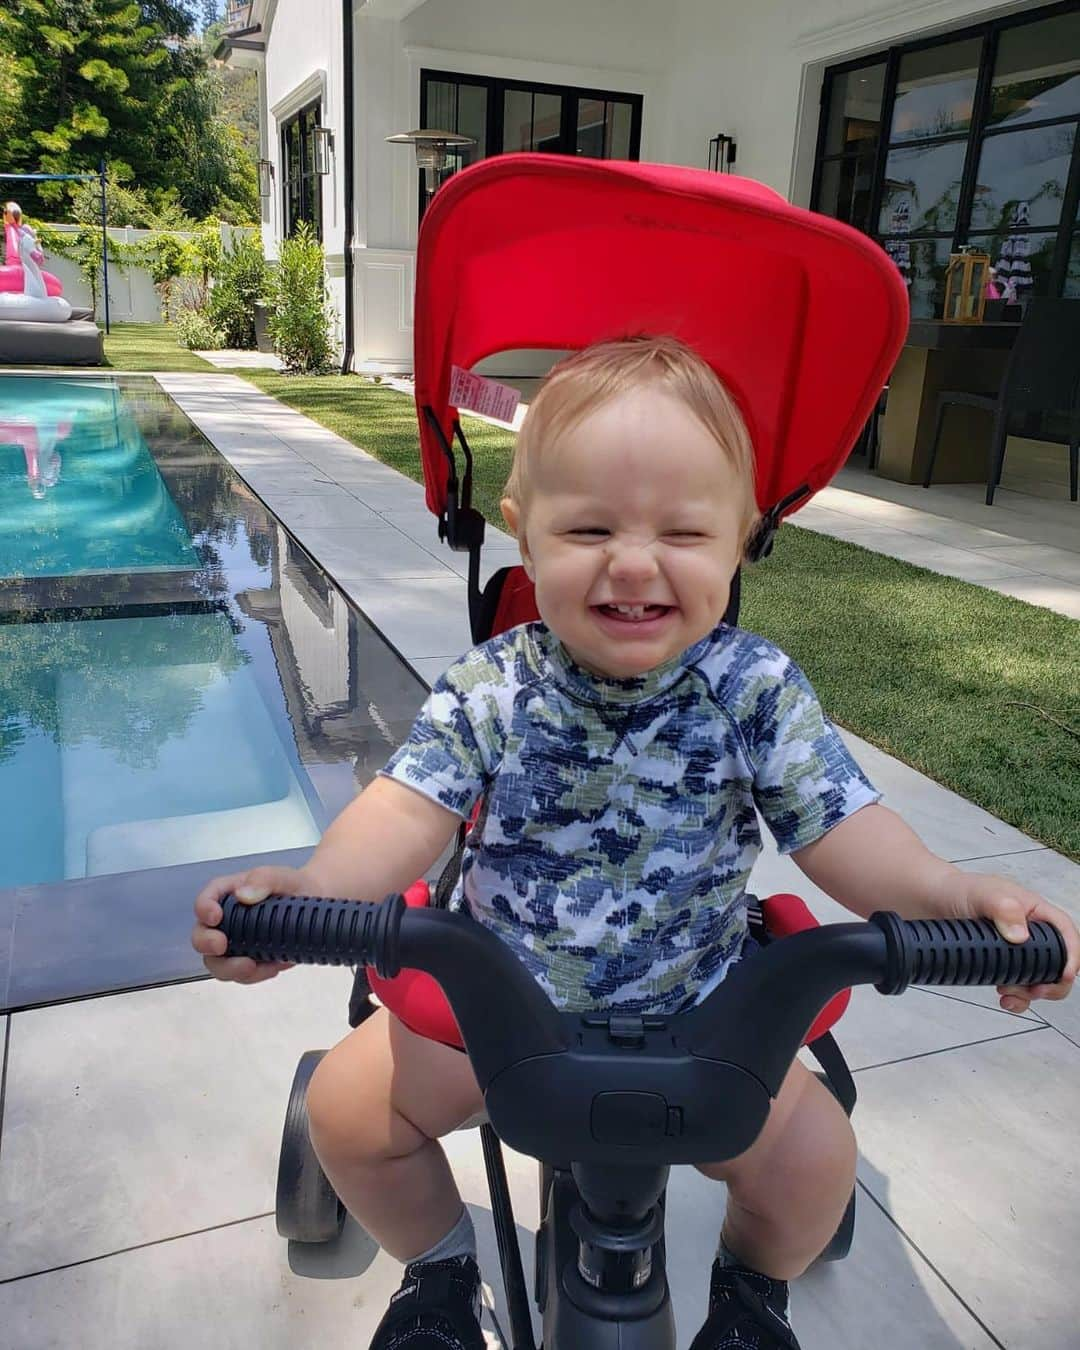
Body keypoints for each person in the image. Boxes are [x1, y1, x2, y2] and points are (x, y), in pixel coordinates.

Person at [192, 335, 1078, 1350]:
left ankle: (752, 1295)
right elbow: (403, 812)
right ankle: (436, 1276)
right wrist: (309, 892)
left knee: (813, 1161)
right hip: (496, 1006)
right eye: (591, 528)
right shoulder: (497, 685)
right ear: (526, 536)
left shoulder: (755, 690)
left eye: (683, 532)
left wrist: (949, 894)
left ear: (741, 538)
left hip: (702, 1009)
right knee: (349, 1120)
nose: (633, 562)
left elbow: (845, 829)